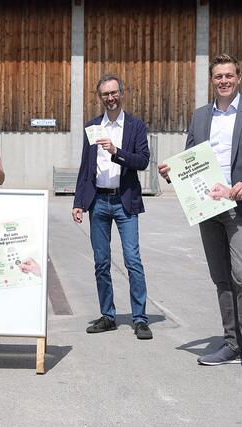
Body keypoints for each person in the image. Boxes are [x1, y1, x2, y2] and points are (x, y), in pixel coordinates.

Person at [158, 54, 242, 378]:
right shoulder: (200, 117)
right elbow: (188, 161)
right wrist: (172, 173)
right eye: (218, 77)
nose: (224, 81)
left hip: (240, 209)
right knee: (221, 279)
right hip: (208, 209)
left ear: (238, 78)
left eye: (229, 75)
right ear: (211, 81)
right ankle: (231, 343)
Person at [72, 75, 153, 340]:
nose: (110, 98)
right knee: (101, 262)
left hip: (124, 201)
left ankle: (140, 318)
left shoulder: (135, 126)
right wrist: (79, 203)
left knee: (133, 260)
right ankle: (108, 315)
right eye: (105, 94)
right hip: (99, 202)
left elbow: (142, 161)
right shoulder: (93, 126)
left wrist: (116, 151)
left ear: (121, 93)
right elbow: (86, 166)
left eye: (114, 92)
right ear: (100, 97)